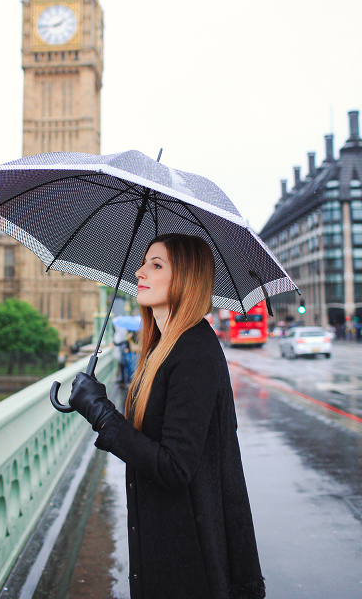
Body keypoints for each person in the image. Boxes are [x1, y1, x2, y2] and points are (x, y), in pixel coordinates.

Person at [69, 234, 265, 599]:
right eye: (143, 262)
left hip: (190, 560)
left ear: (186, 279)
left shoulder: (193, 350)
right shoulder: (164, 346)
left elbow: (174, 466)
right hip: (168, 544)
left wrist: (100, 413)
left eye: (156, 265)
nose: (140, 272)